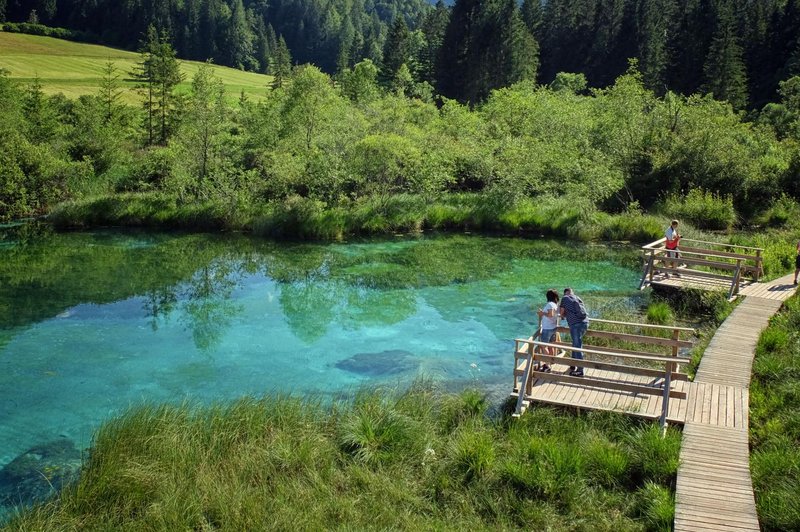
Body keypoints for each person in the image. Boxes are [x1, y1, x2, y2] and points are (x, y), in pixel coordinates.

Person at [559, 287, 589, 377]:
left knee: (577, 346)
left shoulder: (564, 298)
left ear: (565, 293)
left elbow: (562, 312)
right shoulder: (577, 297)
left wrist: (563, 316)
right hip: (585, 323)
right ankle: (573, 364)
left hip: (575, 325)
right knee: (576, 344)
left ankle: (580, 370)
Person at [535, 289, 560, 372]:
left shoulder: (549, 304)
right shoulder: (555, 304)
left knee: (543, 346)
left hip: (547, 328)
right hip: (553, 327)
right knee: (550, 346)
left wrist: (542, 313)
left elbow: (550, 315)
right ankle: (550, 362)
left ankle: (547, 365)